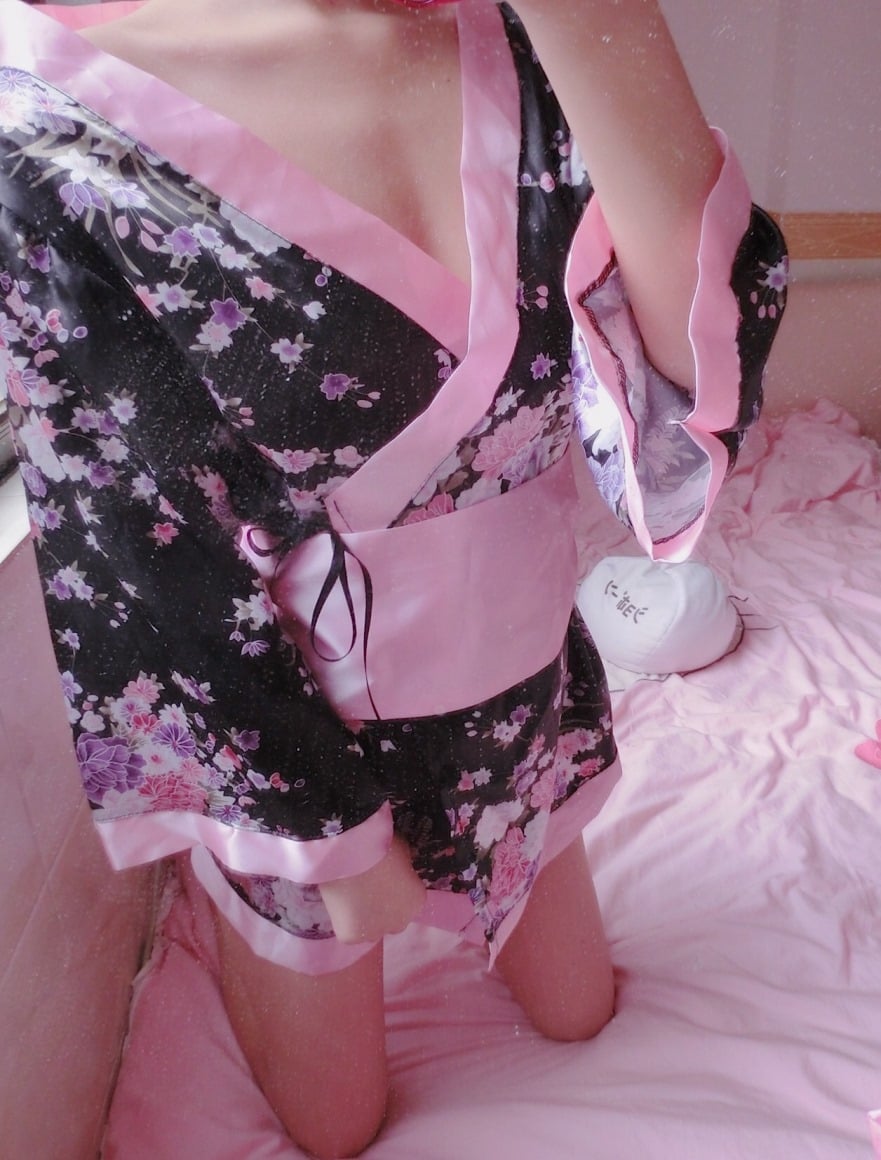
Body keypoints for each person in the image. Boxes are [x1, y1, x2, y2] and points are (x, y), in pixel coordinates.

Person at [0, 1, 786, 1154]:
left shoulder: (538, 38)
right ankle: (244, 886)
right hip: (297, 720)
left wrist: (591, 20)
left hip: (516, 683)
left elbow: (692, 391)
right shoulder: (53, 124)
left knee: (580, 1011)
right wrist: (321, 832)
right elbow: (137, 545)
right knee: (338, 1124)